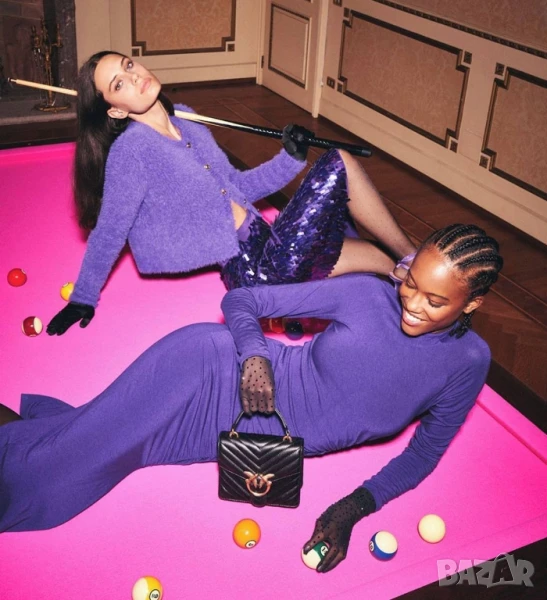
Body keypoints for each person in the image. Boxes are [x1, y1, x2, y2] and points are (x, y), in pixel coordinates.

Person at [0, 224, 503, 572]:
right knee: (51, 481)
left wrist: (352, 507)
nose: (412, 303)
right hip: (209, 370)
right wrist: (256, 355)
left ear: (472, 303)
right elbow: (242, 299)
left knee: (97, 449)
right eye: (410, 283)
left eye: (435, 300)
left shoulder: (468, 361)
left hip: (246, 437)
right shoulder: (367, 295)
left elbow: (423, 454)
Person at [46, 50, 415, 335]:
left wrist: (290, 157)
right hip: (258, 269)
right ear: (115, 111)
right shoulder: (132, 151)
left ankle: (414, 282)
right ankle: (420, 260)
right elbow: (110, 230)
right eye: (119, 84)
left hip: (271, 241)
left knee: (385, 263)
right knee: (341, 161)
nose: (133, 76)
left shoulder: (186, 121)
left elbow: (238, 187)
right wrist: (83, 297)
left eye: (128, 65)